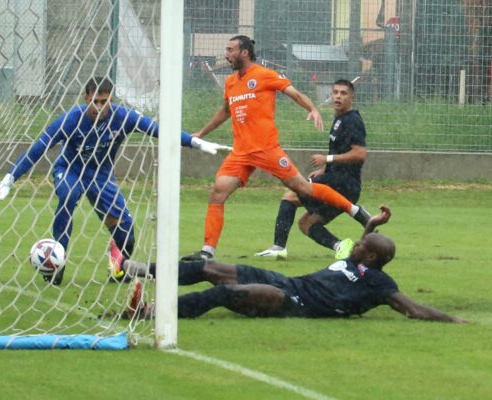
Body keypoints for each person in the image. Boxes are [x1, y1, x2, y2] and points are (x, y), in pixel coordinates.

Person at [0, 77, 231, 285]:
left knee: (126, 231)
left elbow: (158, 129)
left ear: (111, 100)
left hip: (101, 176)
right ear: (86, 99)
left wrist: (195, 142)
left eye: (105, 102)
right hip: (70, 170)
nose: (100, 107)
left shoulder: (122, 117)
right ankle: (56, 262)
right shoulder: (72, 119)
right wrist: (10, 178)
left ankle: (118, 264)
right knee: (69, 195)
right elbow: (39, 147)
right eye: (95, 101)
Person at [181, 35, 370, 261]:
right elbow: (225, 110)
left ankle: (355, 210)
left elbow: (294, 93)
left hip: (266, 148)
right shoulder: (231, 82)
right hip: (240, 152)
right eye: (227, 49)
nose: (226, 54)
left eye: (231, 49)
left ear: (244, 52)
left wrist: (313, 108)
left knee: (303, 189)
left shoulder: (264, 75)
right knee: (217, 193)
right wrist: (202, 133)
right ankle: (207, 252)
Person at [125, 206, 467, 323]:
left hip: (293, 302)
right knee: (207, 267)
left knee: (229, 291)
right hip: (288, 282)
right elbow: (369, 241)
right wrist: (373, 224)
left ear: (373, 257)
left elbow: (414, 309)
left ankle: (155, 312)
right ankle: (146, 269)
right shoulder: (358, 260)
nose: (357, 243)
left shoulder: (379, 285)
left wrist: (451, 317)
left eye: (363, 243)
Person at [255, 79, 367, 261]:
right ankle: (341, 245)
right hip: (337, 179)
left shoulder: (352, 120)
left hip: (344, 183)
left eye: (343, 93)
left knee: (290, 196)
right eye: (335, 92)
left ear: (351, 98)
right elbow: (342, 151)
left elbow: (360, 154)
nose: (338, 96)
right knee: (306, 224)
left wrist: (327, 159)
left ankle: (278, 247)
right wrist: (324, 169)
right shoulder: (340, 119)